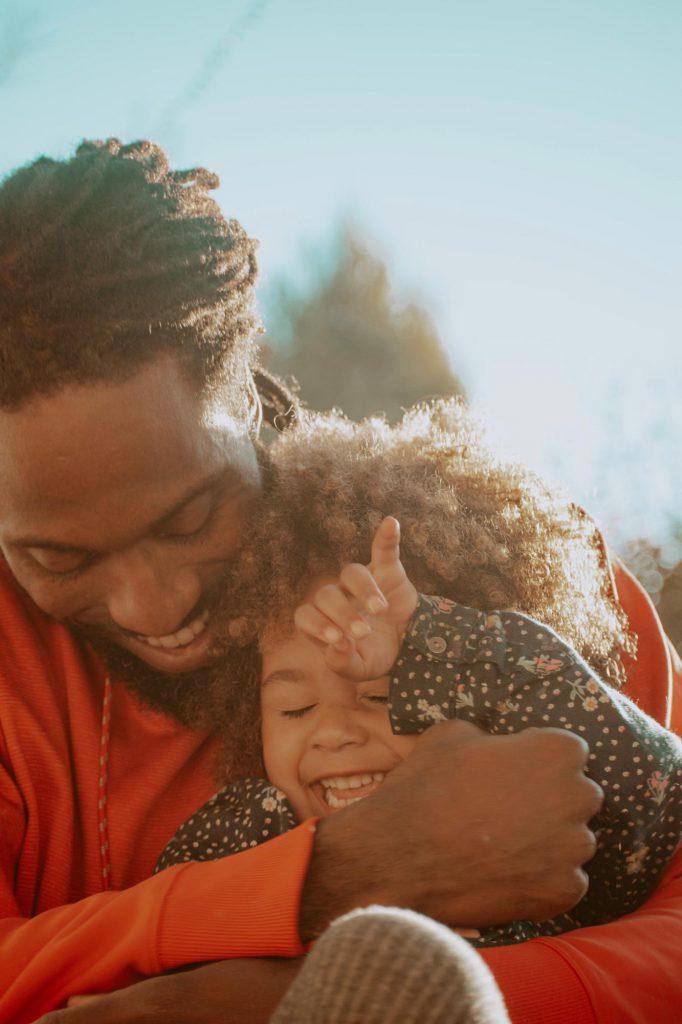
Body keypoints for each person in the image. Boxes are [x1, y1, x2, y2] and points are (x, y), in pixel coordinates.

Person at [0, 138, 678, 1024]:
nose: (152, 605)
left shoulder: (490, 549)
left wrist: (354, 1002)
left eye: (190, 519)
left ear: (246, 398)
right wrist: (341, 873)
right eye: (59, 557)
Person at [156, 406, 682, 950]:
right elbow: (173, 946)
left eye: (381, 695)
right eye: (295, 708)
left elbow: (660, 792)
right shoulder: (249, 835)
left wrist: (435, 637)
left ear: (481, 695)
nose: (334, 732)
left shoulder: (545, 834)